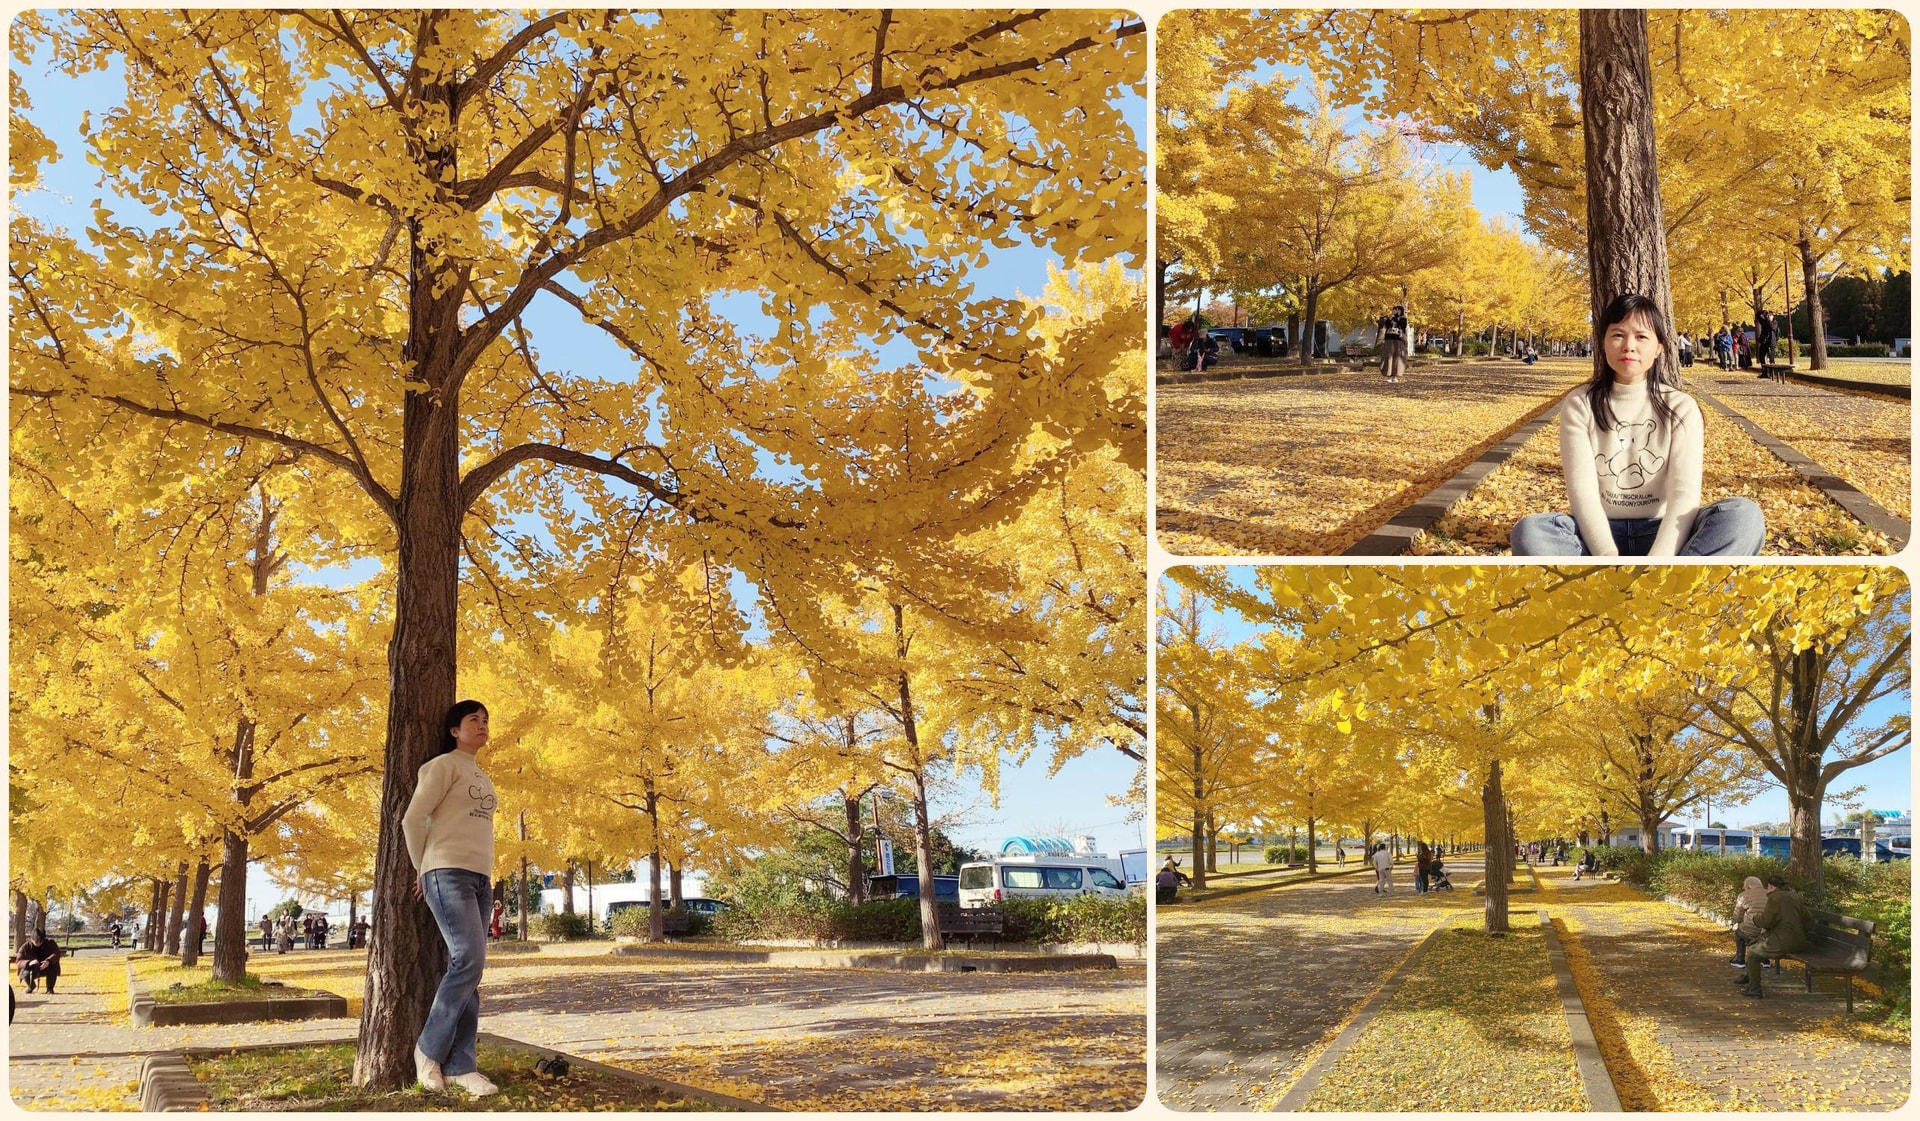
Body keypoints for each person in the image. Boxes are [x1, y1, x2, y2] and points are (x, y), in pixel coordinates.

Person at [1511, 293, 1765, 557]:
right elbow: (1583, 494)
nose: (1628, 346)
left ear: (1659, 347)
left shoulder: (1680, 406)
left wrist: (1659, 562)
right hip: (1596, 533)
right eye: (1618, 335)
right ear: (1603, 342)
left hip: (1667, 531)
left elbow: (1684, 496)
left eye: (1641, 337)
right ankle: (1616, 579)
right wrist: (1606, 556)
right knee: (1531, 531)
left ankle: (1666, 577)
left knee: (1744, 517)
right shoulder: (1581, 403)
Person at [402, 699, 503, 1097]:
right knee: (468, 960)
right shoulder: (443, 766)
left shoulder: (481, 775)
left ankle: (462, 1066)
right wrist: (422, 867)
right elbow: (412, 819)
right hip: (446, 871)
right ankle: (428, 1051)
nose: (482, 725)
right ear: (454, 731)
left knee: (470, 969)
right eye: (473, 719)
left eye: (485, 720)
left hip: (479, 878)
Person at [1736, 876, 1809, 997]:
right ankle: (1748, 976)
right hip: (1800, 940)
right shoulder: (1795, 896)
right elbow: (1809, 920)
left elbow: (1766, 922)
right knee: (1755, 944)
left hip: (1784, 942)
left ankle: (1754, 989)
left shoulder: (1774, 898)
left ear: (1770, 886)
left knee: (1753, 955)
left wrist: (1756, 918)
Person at [1729, 875, 1769, 967]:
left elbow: (1738, 916)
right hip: (1767, 930)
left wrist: (1738, 922)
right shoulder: (1770, 894)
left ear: (1748, 885)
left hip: (1750, 930)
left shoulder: (1743, 895)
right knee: (1763, 933)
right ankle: (1765, 961)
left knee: (1739, 933)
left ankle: (1740, 960)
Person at [14, 928, 63, 994]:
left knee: (54, 967)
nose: (37, 943)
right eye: (35, 941)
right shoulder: (25, 947)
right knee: (25, 973)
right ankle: (31, 986)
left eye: (40, 941)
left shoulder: (50, 943)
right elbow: (18, 961)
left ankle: (50, 988)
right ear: (31, 939)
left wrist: (48, 961)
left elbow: (57, 953)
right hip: (32, 969)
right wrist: (29, 963)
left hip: (47, 968)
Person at [1377, 305, 1409, 381]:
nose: (1396, 311)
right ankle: (1389, 375)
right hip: (1389, 339)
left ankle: (1395, 376)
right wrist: (1390, 318)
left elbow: (1403, 326)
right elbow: (1386, 325)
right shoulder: (1391, 317)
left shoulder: (1403, 318)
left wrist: (1396, 318)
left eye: (1398, 310)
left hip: (1398, 340)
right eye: (1394, 310)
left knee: (1397, 357)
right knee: (1388, 356)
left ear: (1401, 311)